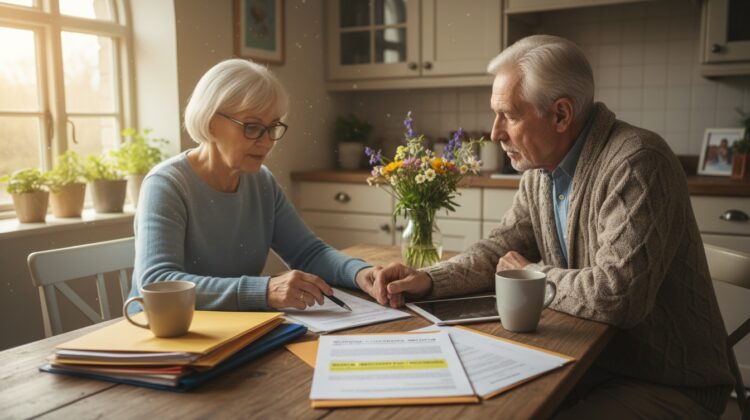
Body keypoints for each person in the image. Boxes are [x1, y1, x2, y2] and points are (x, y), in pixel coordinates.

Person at [366, 35, 733, 418]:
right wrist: (429, 279)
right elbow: (498, 250)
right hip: (591, 362)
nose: (494, 133)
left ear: (560, 115)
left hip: (667, 381)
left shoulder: (638, 162)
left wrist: (532, 273)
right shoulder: (540, 171)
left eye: (508, 114)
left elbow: (618, 296)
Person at [129, 59, 380, 312]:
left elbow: (308, 253)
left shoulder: (261, 182)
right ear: (209, 122)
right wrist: (263, 290)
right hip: (161, 333)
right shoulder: (167, 185)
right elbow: (157, 283)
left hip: (232, 328)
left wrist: (362, 273)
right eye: (252, 127)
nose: (267, 141)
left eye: (272, 127)